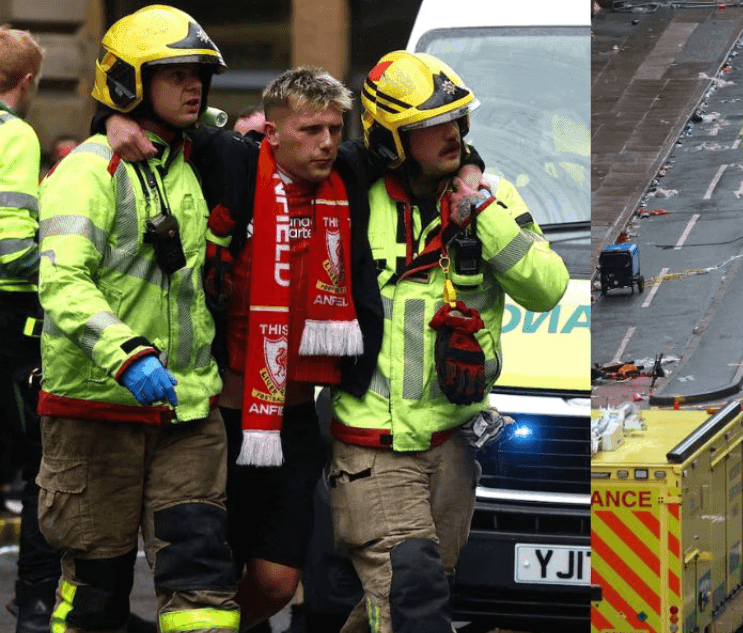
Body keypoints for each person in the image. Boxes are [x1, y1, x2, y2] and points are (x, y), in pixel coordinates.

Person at [102, 66, 487, 630]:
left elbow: (434, 146)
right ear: (274, 134)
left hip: (299, 419)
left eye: (335, 127)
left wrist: (471, 171)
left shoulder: (351, 171)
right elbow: (163, 121)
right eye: (310, 130)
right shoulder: (234, 161)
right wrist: (107, 117)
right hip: (221, 419)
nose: (327, 142)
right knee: (210, 571)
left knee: (279, 582)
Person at [328, 50, 568, 632]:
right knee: (413, 604)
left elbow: (547, 287)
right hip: (373, 447)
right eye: (431, 126)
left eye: (457, 121)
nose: (452, 134)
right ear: (391, 138)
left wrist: (481, 212)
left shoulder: (493, 196)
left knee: (410, 600)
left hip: (451, 448)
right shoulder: (355, 198)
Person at [35, 6, 240, 631]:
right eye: (174, 74)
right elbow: (63, 281)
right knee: (97, 591)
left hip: (185, 411)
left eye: (197, 74)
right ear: (127, 83)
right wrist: (127, 353)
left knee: (202, 582)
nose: (194, 86)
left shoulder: (187, 163)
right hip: (95, 412)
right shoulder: (88, 171)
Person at [0, 24, 55, 633]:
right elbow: (13, 251)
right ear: (28, 80)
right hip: (12, 323)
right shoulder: (14, 133)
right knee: (42, 469)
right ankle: (36, 605)